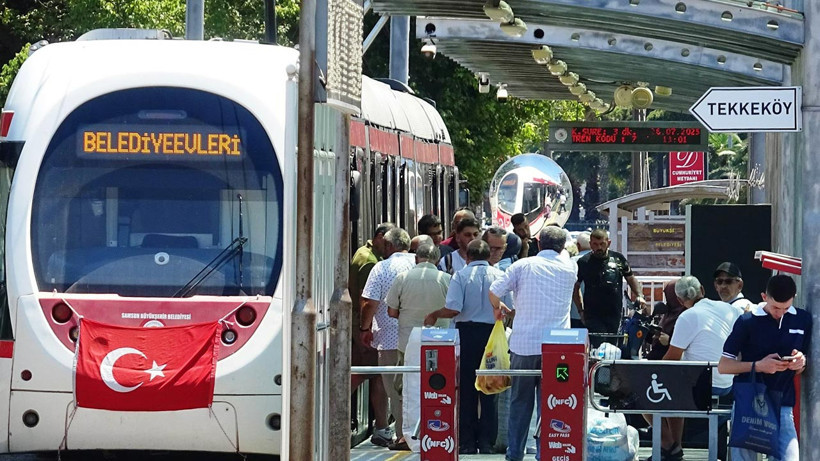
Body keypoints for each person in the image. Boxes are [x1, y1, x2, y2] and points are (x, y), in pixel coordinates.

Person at [488, 227, 578, 461]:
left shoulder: (522, 266)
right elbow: (568, 253)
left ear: (538, 243)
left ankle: (515, 453)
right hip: (558, 349)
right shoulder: (570, 267)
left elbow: (494, 291)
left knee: (520, 403)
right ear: (562, 246)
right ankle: (545, 453)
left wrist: (499, 309)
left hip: (524, 344)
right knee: (551, 404)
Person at [425, 240, 510, 454]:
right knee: (490, 388)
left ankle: (467, 442)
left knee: (467, 389)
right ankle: (487, 443)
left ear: (467, 257)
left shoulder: (461, 276)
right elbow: (508, 309)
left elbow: (454, 309)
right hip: (492, 336)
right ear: (488, 255)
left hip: (467, 335)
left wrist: (435, 313)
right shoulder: (499, 276)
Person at [719, 275, 810, 461]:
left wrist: (801, 361)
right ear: (764, 297)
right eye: (776, 307)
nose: (780, 313)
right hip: (749, 400)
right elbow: (724, 366)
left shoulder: (803, 319)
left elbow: (804, 361)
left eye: (786, 308)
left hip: (783, 401)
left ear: (794, 298)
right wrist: (758, 366)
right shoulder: (747, 322)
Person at [654, 276, 743, 461]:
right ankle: (674, 447)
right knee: (674, 389)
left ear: (679, 300)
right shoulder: (729, 309)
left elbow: (671, 359)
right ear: (702, 289)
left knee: (645, 385)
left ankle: (668, 444)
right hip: (729, 382)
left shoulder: (687, 316)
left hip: (702, 386)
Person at [360, 228, 416, 451]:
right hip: (421, 339)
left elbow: (369, 303)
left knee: (396, 392)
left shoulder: (381, 268)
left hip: (389, 338)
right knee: (416, 388)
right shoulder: (421, 265)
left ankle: (403, 436)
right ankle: (418, 433)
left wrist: (364, 328)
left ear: (389, 246)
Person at [348, 222, 394, 447]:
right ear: (377, 237)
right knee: (367, 375)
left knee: (372, 375)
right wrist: (365, 330)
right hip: (364, 329)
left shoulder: (364, 254)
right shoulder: (369, 261)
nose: (388, 248)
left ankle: (381, 426)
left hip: (362, 327)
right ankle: (381, 427)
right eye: (386, 243)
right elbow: (367, 300)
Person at [573, 228, 647, 347]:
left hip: (614, 312)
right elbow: (575, 288)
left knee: (613, 346)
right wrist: (580, 311)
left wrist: (639, 295)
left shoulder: (618, 259)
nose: (599, 248)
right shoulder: (583, 262)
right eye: (595, 244)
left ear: (608, 243)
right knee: (599, 346)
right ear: (591, 244)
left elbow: (631, 278)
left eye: (602, 244)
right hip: (593, 313)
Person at [569, 232, 591, 329]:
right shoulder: (598, 261)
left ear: (578, 245)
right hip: (595, 315)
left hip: (574, 314)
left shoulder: (571, 262)